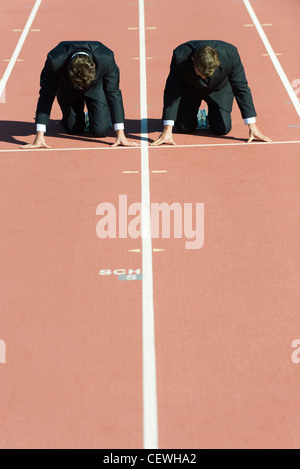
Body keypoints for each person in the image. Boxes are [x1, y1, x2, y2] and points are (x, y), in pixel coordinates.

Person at [151, 40, 271, 146]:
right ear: (193, 61)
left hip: (219, 89)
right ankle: (196, 114)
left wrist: (252, 126)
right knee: (184, 128)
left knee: (222, 129)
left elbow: (241, 87)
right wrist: (167, 129)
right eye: (200, 73)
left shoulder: (231, 54)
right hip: (190, 89)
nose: (203, 77)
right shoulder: (180, 55)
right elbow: (172, 90)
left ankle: (211, 115)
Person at [21, 41, 137, 149]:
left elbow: (113, 93)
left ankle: (96, 114)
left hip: (95, 87)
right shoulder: (55, 60)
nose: (81, 87)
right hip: (68, 89)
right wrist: (39, 135)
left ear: (94, 67)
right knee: (73, 129)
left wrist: (120, 134)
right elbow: (46, 94)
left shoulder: (106, 58)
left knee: (101, 131)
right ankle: (78, 117)